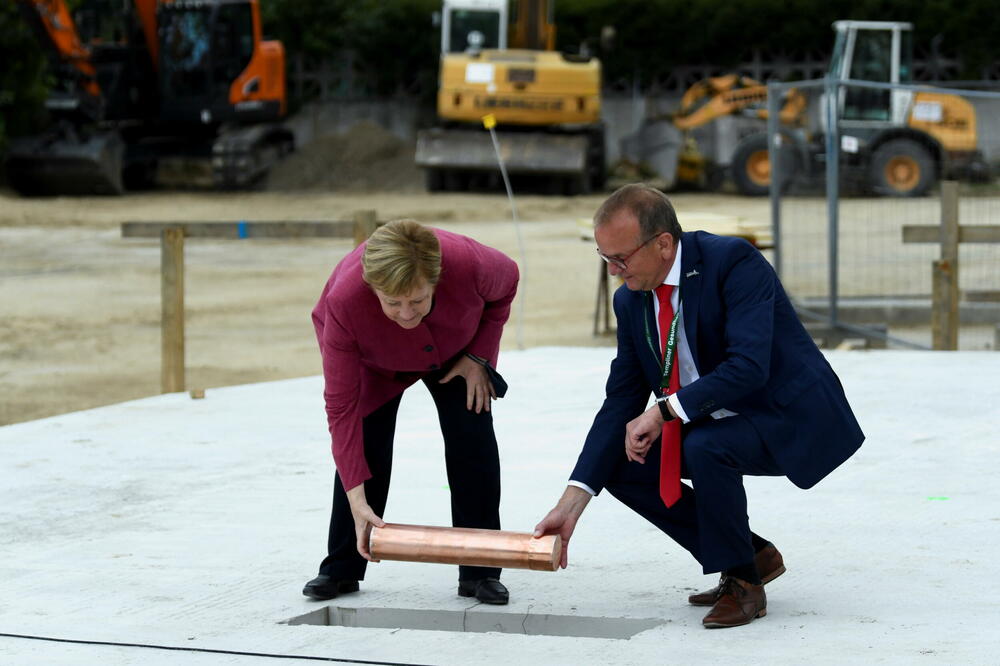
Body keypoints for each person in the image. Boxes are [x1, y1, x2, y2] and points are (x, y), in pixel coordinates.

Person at [533, 184, 864, 628]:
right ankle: (750, 555)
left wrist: (663, 411)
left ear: (663, 244)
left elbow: (748, 367)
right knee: (623, 461)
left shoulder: (733, 262)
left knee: (707, 445)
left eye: (621, 258)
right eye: (604, 258)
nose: (613, 271)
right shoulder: (630, 300)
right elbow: (620, 400)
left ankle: (744, 584)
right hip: (709, 414)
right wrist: (572, 501)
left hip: (786, 416)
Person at [303, 219, 519, 605]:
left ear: (436, 279)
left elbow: (508, 283)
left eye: (418, 300)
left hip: (455, 352)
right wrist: (357, 501)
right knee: (364, 444)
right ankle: (341, 567)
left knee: (472, 439)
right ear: (373, 288)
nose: (406, 314)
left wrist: (479, 356)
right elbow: (341, 409)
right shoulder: (343, 301)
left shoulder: (470, 263)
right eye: (393, 302)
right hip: (375, 359)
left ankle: (481, 569)